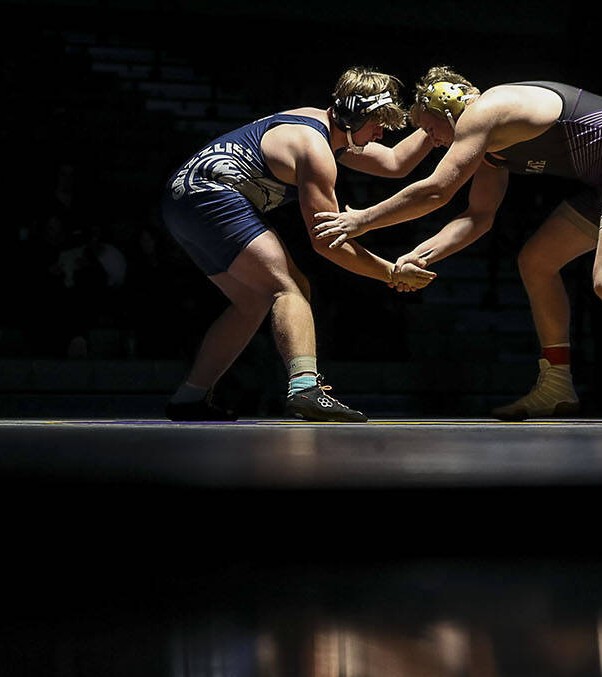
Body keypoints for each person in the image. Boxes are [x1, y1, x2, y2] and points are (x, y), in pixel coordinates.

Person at [313, 67, 602, 422]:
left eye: (430, 128)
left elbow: (436, 191)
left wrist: (361, 219)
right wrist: (421, 253)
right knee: (536, 262)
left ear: (448, 106)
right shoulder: (490, 145)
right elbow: (477, 217)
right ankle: (556, 384)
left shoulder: (485, 110)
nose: (431, 139)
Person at [161, 67, 438, 422]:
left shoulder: (318, 124)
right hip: (209, 196)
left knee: (253, 300)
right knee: (288, 287)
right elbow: (327, 243)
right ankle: (305, 389)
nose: (380, 132)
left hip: (180, 201)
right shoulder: (315, 150)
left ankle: (189, 397)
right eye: (377, 123)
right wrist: (391, 273)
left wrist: (433, 132)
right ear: (354, 115)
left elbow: (395, 163)